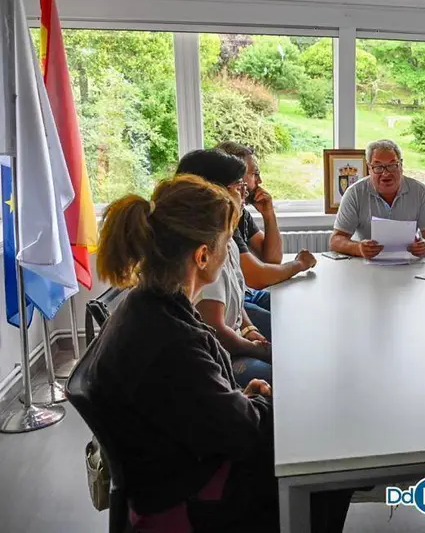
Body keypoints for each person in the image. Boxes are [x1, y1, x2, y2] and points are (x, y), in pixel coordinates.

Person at [90, 175, 352, 532]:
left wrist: (241, 398)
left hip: (175, 462)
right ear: (201, 256)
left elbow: (195, 404)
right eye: (227, 243)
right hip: (185, 495)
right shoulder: (170, 339)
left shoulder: (147, 305)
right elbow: (243, 434)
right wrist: (266, 404)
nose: (230, 253)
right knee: (330, 463)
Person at [176, 149, 273, 385]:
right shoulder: (203, 252)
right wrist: (258, 350)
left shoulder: (224, 235)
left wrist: (249, 328)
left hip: (231, 339)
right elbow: (216, 331)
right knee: (285, 375)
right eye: (238, 186)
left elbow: (236, 297)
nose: (245, 192)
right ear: (213, 192)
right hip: (218, 357)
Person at [215, 141, 316, 322]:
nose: (259, 181)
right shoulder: (222, 218)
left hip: (246, 292)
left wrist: (269, 214)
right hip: (232, 301)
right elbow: (258, 277)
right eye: (255, 174)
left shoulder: (241, 214)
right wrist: (300, 264)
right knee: (285, 326)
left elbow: (272, 259)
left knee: (303, 308)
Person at [329, 139, 425, 259]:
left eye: (392, 165)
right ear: (369, 168)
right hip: (366, 266)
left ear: (401, 165)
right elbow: (336, 240)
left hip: (409, 264)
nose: (386, 173)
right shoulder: (354, 193)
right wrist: (358, 248)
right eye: (378, 167)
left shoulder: (419, 190)